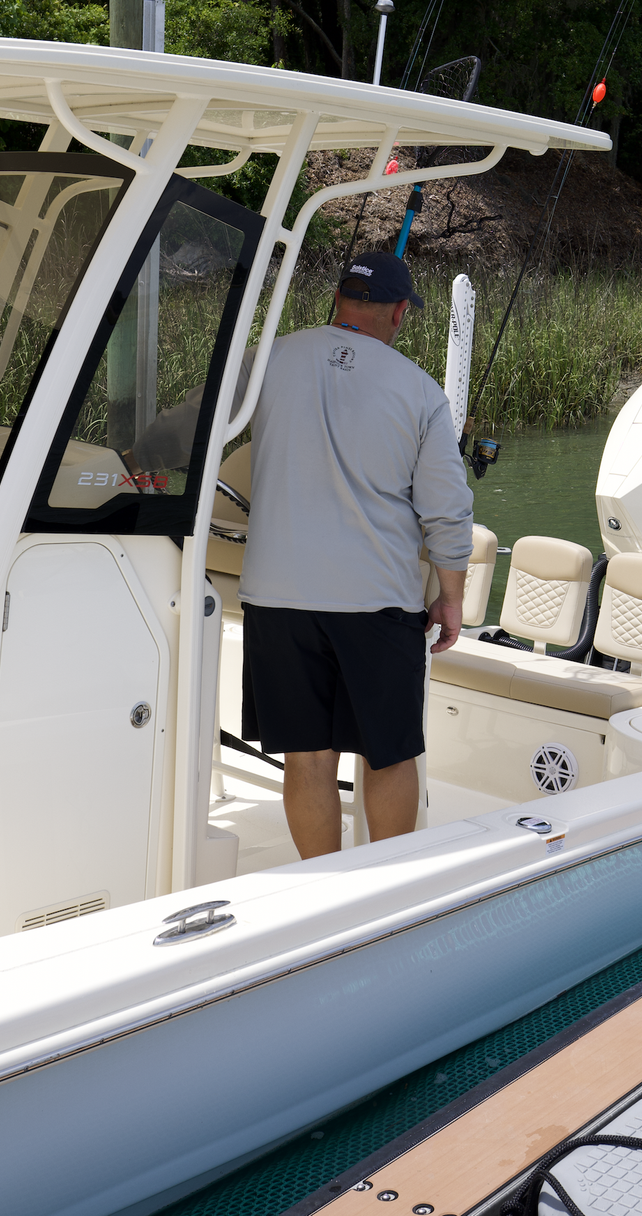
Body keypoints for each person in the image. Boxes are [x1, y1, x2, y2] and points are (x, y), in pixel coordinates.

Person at [237, 250, 473, 857]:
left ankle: (321, 891)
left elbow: (190, 424)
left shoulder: (267, 362)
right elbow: (446, 512)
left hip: (277, 598)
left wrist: (135, 464)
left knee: (307, 758)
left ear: (340, 302)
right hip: (375, 604)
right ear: (399, 313)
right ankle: (383, 896)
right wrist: (450, 600)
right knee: (388, 753)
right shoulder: (421, 394)